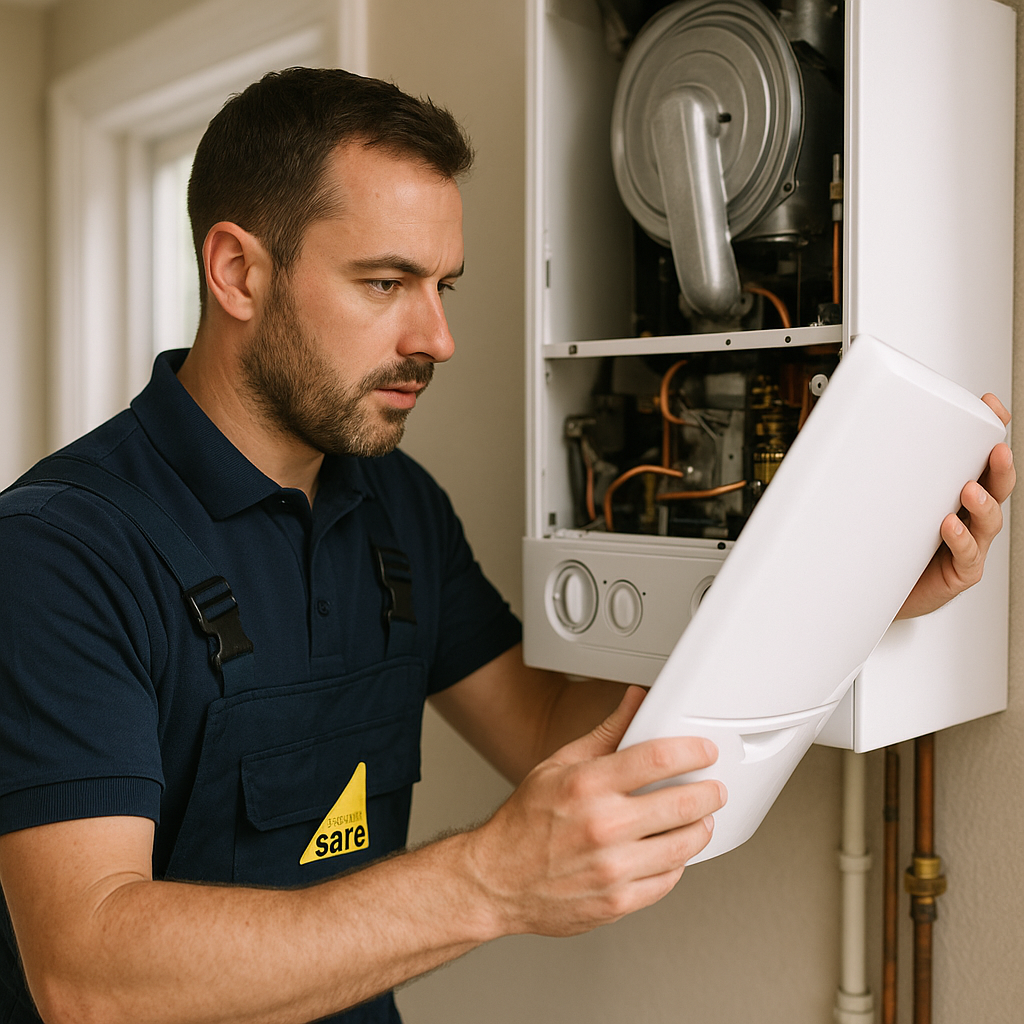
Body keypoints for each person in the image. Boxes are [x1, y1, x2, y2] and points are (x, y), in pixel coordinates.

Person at [0, 68, 1012, 1024]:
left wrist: (848, 589)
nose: (435, 338)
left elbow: (547, 730)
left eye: (443, 286)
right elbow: (87, 977)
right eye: (385, 283)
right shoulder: (60, 550)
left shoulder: (396, 504)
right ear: (238, 272)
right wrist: (486, 880)